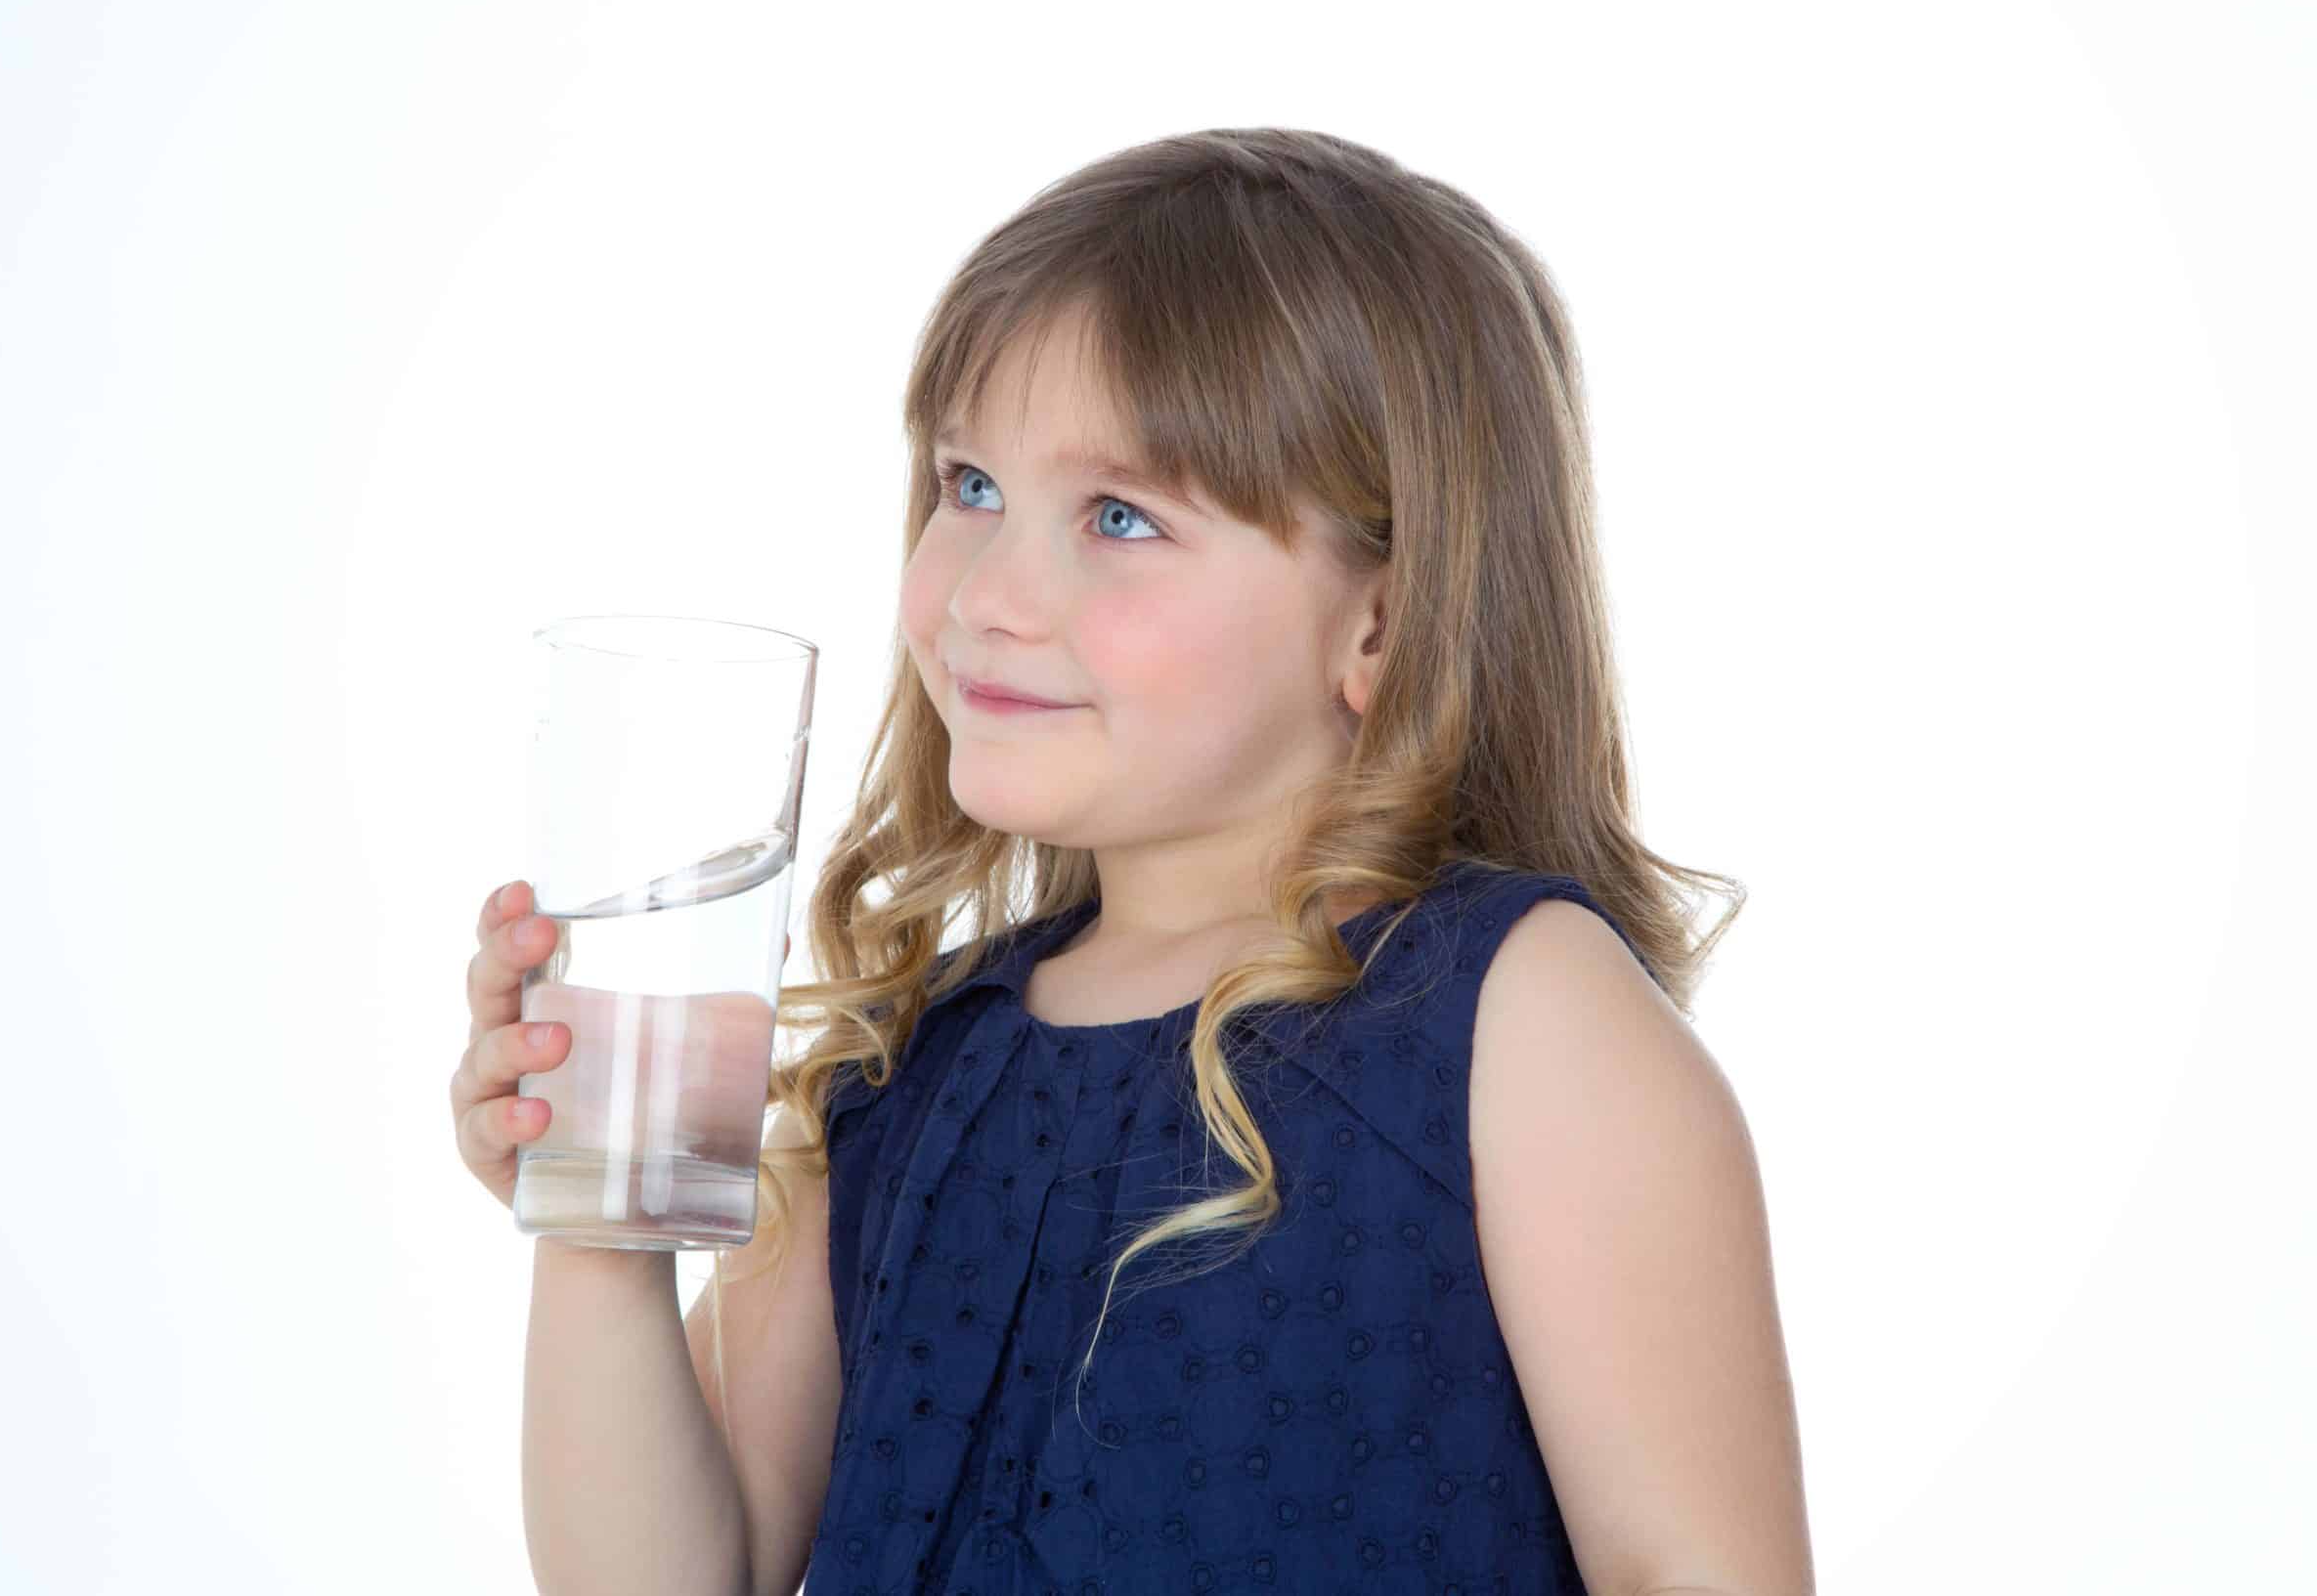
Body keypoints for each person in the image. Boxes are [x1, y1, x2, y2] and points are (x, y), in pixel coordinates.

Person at [457, 127, 1814, 1596]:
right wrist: (596, 1211)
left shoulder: (1517, 1018)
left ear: (1384, 623)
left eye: (1118, 518)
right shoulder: (912, 1064)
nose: (987, 594)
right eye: (968, 486)